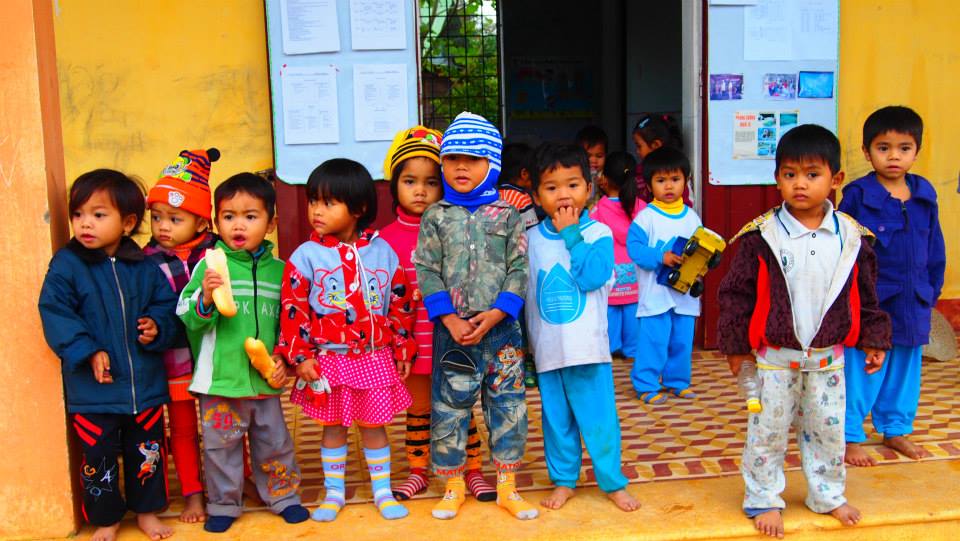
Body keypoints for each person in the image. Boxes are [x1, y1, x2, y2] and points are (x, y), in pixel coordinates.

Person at [717, 124, 892, 537]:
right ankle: (763, 498)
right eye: (790, 174)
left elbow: (867, 294)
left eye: (812, 174)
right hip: (775, 361)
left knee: (828, 431)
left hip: (829, 361)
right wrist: (736, 348)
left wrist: (874, 338)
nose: (800, 184)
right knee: (767, 432)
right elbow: (735, 294)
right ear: (777, 178)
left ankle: (827, 495)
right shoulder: (761, 236)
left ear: (836, 179)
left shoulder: (852, 237)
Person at [39, 169, 181, 541]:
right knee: (98, 458)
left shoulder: (144, 267)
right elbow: (55, 311)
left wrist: (157, 326)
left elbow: (167, 308)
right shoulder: (66, 265)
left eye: (98, 214)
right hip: (94, 391)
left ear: (128, 223)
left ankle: (147, 512)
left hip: (144, 386)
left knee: (147, 452)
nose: (85, 223)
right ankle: (106, 520)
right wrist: (86, 350)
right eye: (78, 214)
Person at [278, 159, 417, 522]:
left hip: (374, 357)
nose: (316, 210)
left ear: (358, 209)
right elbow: (293, 309)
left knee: (374, 425)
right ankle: (334, 493)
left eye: (328, 203)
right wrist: (301, 356)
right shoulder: (305, 256)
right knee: (333, 427)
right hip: (329, 360)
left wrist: (402, 345)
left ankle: (382, 491)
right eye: (313, 201)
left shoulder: (383, 252)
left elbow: (400, 302)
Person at [415, 111, 536, 520]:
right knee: (450, 410)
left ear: (493, 163)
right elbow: (426, 269)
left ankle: (507, 488)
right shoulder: (435, 216)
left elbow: (519, 267)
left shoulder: (508, 214)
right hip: (454, 334)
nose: (461, 167)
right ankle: (453, 487)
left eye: (473, 158)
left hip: (502, 334)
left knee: (508, 407)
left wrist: (500, 312)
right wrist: (449, 319)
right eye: (452, 158)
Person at [178, 173, 308, 533]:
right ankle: (223, 503)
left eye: (250, 216)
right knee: (221, 448)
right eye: (229, 216)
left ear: (271, 223)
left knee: (275, 444)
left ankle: (284, 497)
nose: (238, 225)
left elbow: (290, 323)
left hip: (265, 382)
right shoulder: (209, 267)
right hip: (221, 381)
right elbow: (186, 314)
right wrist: (206, 297)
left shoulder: (281, 272)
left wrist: (284, 360)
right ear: (215, 221)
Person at [378, 127, 497, 502]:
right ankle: (418, 471)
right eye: (410, 181)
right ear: (394, 185)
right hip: (411, 344)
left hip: (453, 337)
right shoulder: (383, 241)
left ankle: (472, 470)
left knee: (460, 407)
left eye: (431, 182)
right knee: (418, 411)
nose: (420, 191)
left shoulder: (459, 226)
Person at [526, 143, 640, 513]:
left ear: (589, 189)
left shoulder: (598, 234)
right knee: (557, 423)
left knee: (599, 421)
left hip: (588, 350)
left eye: (572, 185)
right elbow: (524, 293)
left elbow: (592, 277)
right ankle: (564, 481)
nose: (563, 195)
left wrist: (572, 235)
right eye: (552, 187)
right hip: (548, 352)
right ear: (536, 196)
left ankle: (613, 483)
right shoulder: (530, 239)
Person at [838, 106, 945, 466]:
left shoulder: (924, 194)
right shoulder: (858, 195)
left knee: (905, 367)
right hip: (872, 302)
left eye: (904, 148)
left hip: (913, 299)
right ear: (867, 152)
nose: (894, 156)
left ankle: (896, 428)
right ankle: (850, 434)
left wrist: (932, 290)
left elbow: (935, 246)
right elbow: (845, 248)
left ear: (917, 151)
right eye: (883, 148)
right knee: (862, 368)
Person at [144, 148, 221, 523]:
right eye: (157, 217)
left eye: (175, 218)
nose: (163, 226)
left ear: (201, 222)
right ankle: (192, 493)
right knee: (183, 430)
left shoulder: (218, 253)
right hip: (173, 360)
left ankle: (236, 482)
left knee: (224, 426)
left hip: (216, 357)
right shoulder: (145, 260)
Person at [626, 147, 702, 404]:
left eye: (675, 179)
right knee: (654, 342)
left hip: (685, 295)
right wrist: (661, 256)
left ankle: (677, 382)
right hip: (656, 295)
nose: (668, 186)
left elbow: (700, 250)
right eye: (661, 180)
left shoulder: (692, 218)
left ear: (686, 181)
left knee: (682, 341)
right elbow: (634, 250)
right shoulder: (645, 218)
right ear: (649, 186)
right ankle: (645, 384)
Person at [591, 151, 646, 361]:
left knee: (610, 312)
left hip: (610, 274)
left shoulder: (598, 209)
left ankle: (611, 348)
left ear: (605, 179)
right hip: (635, 274)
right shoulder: (642, 208)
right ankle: (632, 350)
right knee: (632, 313)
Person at [631, 114, 692, 206]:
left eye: (639, 146)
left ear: (656, 145)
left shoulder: (677, 169)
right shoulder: (638, 171)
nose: (668, 186)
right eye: (661, 181)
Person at [498, 142, 540, 229]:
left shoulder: (494, 193)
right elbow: (532, 230)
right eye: (536, 173)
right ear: (524, 174)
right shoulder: (522, 198)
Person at [575, 125, 608, 209]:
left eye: (599, 156)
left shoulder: (607, 175)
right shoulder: (575, 174)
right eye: (588, 156)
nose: (593, 160)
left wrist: (606, 187)